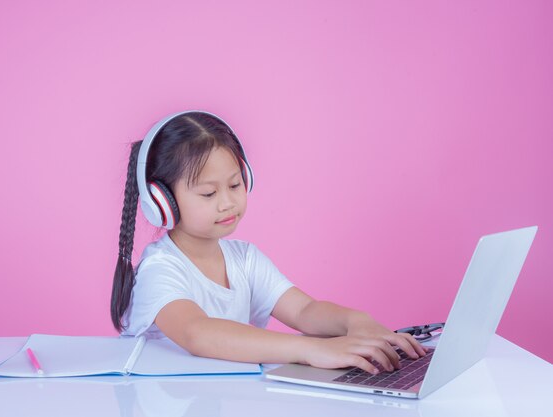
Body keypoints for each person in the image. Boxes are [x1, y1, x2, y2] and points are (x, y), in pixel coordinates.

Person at [111, 110, 426, 375]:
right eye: (209, 193)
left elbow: (304, 310)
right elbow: (198, 333)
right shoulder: (159, 270)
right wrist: (311, 349)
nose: (227, 203)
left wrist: (356, 322)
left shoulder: (245, 259)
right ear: (162, 201)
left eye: (235, 184)